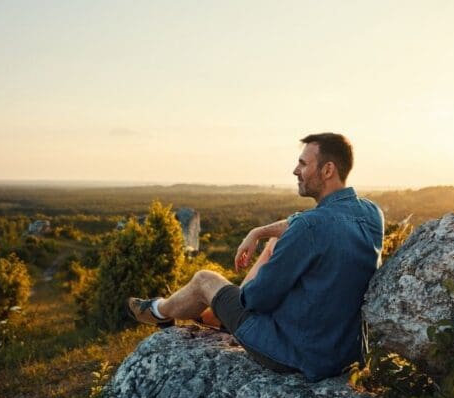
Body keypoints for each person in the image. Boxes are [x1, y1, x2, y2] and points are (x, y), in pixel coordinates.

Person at [127, 133, 384, 381]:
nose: (296, 170)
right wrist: (259, 232)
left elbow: (255, 300)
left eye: (303, 164)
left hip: (298, 354)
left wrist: (239, 292)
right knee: (276, 241)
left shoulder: (309, 228)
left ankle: (157, 310)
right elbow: (303, 224)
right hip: (347, 354)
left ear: (327, 170)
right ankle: (210, 315)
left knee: (205, 280)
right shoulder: (372, 214)